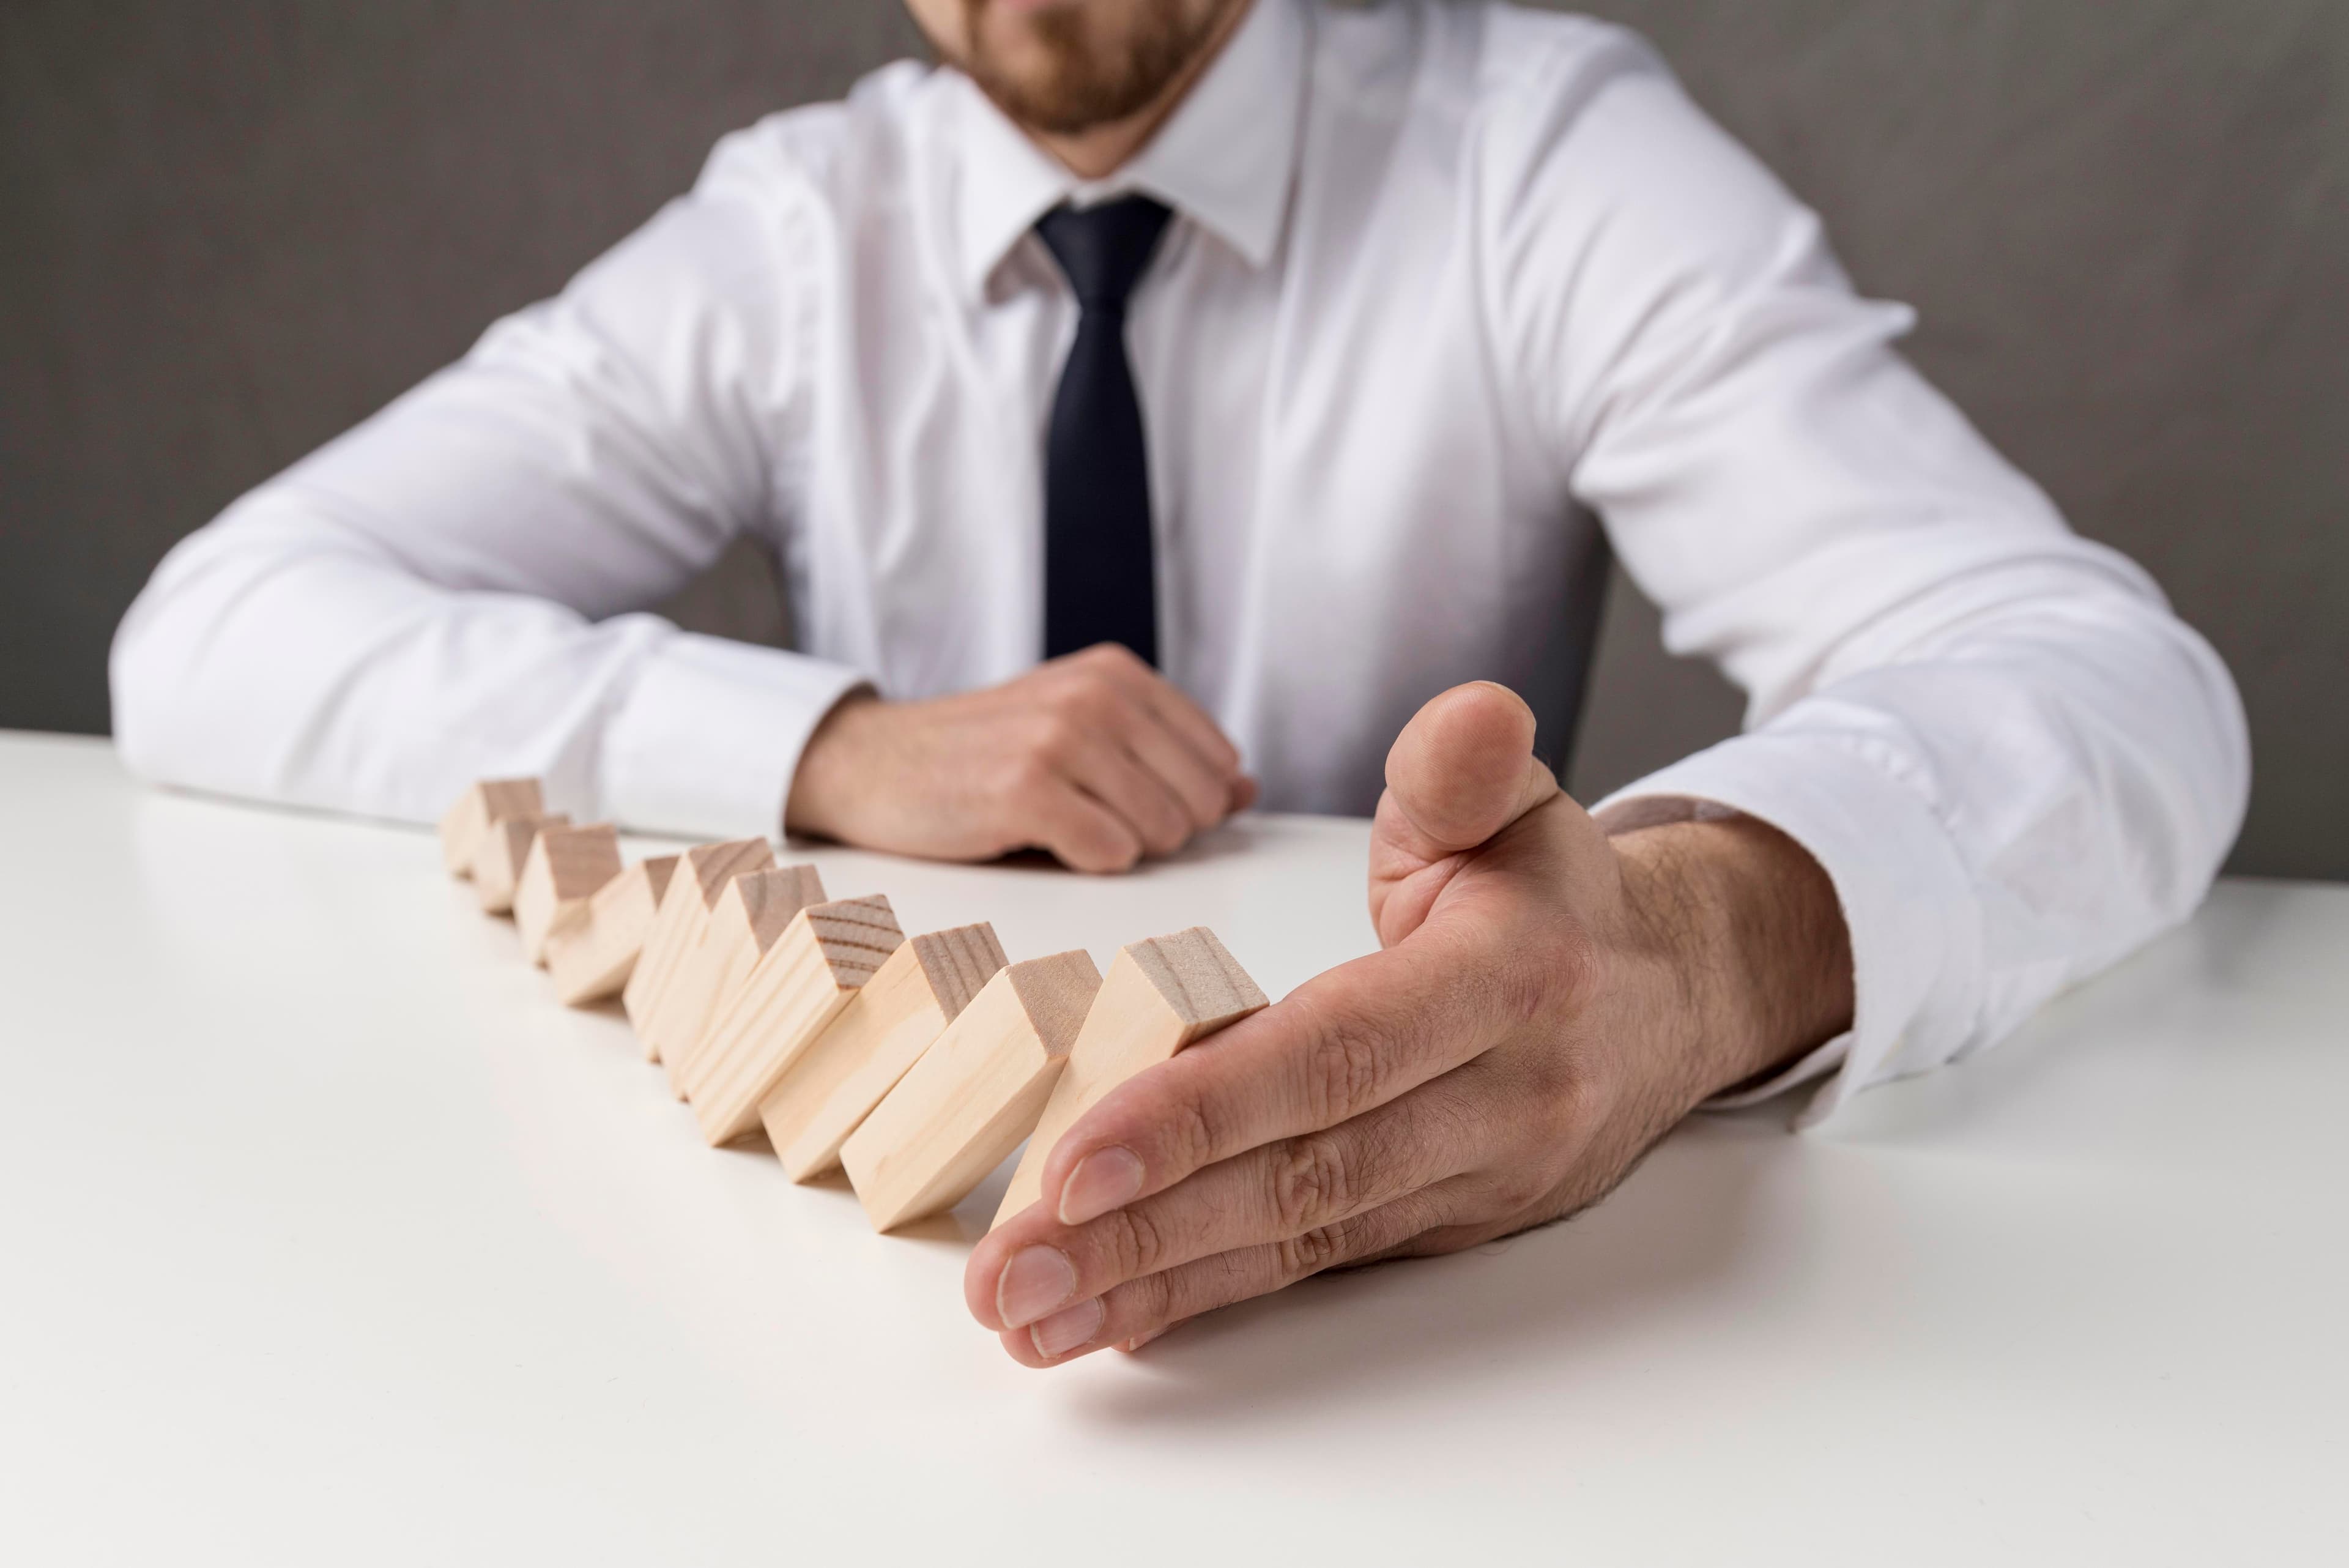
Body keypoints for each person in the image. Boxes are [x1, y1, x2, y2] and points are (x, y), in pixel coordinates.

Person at [111, 0, 2247, 1367]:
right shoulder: (797, 231)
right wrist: (827, 744)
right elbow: (216, 625)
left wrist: (1709, 943)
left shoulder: (1533, 153)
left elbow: (2105, 682)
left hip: (1461, 1354)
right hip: (863, 1351)